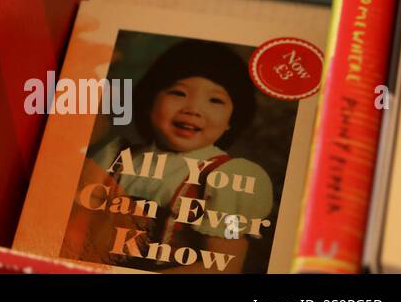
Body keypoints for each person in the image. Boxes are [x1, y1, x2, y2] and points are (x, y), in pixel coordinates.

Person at [62, 40, 274, 273]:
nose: (192, 108)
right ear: (149, 101)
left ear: (231, 121)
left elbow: (224, 267)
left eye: (215, 100)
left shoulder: (229, 177)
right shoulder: (115, 156)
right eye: (178, 93)